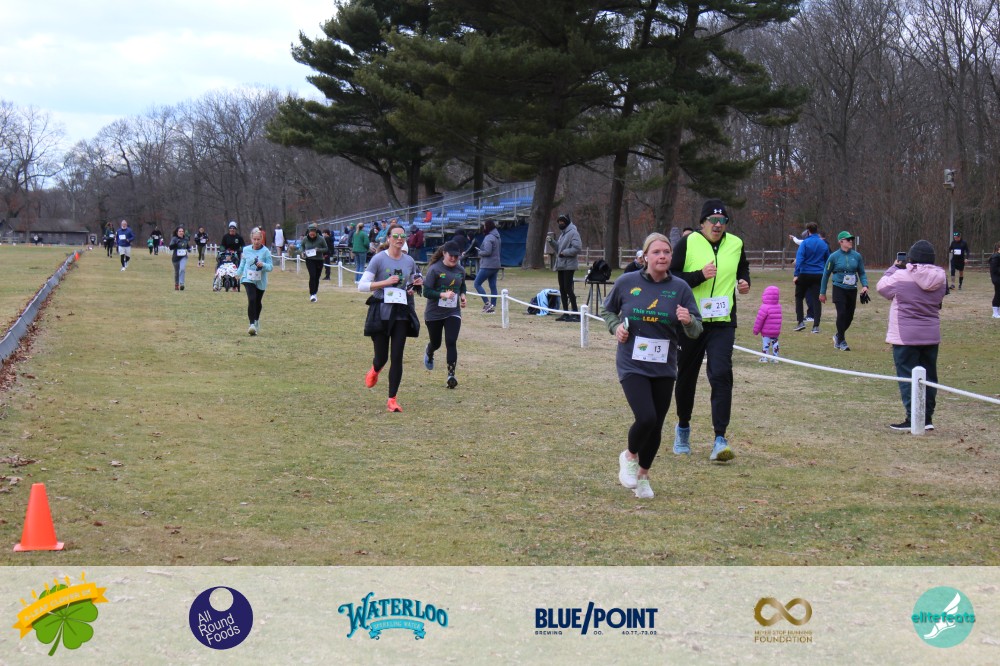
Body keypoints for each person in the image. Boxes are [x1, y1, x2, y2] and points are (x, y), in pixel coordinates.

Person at [602, 233, 703, 499]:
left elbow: (696, 329)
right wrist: (616, 328)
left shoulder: (680, 288)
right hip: (632, 362)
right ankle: (629, 456)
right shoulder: (627, 282)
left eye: (666, 252)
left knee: (656, 424)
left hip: (664, 364)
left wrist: (688, 321)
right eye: (656, 252)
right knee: (646, 417)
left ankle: (643, 476)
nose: (662, 256)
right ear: (645, 256)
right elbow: (607, 310)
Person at [670, 199, 750, 462]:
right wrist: (699, 276)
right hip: (691, 321)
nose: (718, 225)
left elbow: (743, 267)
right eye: (713, 220)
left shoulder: (736, 243)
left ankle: (720, 438)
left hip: (722, 322)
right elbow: (672, 276)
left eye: (722, 220)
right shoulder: (688, 242)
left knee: (721, 374)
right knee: (687, 376)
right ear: (702, 223)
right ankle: (683, 428)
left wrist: (744, 281)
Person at [876, 240, 946, 431]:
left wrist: (893, 268)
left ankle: (913, 418)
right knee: (928, 377)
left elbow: (882, 287)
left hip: (905, 335)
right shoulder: (941, 277)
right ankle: (927, 418)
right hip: (930, 333)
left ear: (911, 258)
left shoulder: (900, 276)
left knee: (908, 377)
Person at [359, 221, 423, 412]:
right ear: (388, 238)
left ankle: (392, 399)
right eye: (395, 236)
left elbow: (412, 282)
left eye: (402, 236)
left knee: (397, 356)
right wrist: (385, 282)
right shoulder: (379, 259)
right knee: (382, 357)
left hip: (401, 312)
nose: (399, 239)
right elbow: (362, 286)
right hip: (380, 310)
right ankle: (375, 369)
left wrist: (414, 286)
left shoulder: (409, 261)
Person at [421, 241, 467, 389]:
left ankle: (451, 376)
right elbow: (426, 292)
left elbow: (462, 285)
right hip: (434, 313)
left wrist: (463, 296)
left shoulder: (460, 270)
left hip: (453, 312)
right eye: (451, 255)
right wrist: (442, 294)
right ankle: (429, 351)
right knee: (436, 343)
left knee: (451, 341)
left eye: (456, 256)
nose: (453, 258)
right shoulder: (434, 269)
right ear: (444, 254)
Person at [820, 231, 869, 351]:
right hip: (839, 288)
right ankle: (842, 341)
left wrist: (865, 285)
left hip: (852, 289)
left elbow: (862, 272)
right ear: (841, 241)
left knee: (849, 316)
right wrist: (822, 292)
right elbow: (826, 274)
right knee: (841, 313)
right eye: (848, 239)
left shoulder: (857, 256)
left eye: (851, 239)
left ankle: (838, 335)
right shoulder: (833, 257)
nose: (850, 241)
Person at [235, 229, 273, 336]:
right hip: (248, 278)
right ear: (251, 239)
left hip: (260, 280)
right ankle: (251, 325)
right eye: (254, 239)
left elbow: (270, 267)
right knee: (251, 299)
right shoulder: (246, 250)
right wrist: (238, 273)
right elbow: (243, 263)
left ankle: (256, 320)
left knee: (257, 301)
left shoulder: (265, 251)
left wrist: (263, 265)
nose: (256, 241)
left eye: (258, 239)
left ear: (262, 239)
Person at [793, 222, 828, 333]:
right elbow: (827, 259)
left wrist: (796, 274)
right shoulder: (823, 244)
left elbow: (799, 259)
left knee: (799, 297)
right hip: (818, 274)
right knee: (817, 299)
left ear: (808, 231)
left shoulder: (805, 243)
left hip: (805, 273)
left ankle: (800, 322)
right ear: (817, 230)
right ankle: (816, 326)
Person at [547, 214, 582, 321]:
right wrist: (552, 242)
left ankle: (575, 313)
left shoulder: (573, 232)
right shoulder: (563, 234)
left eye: (562, 222)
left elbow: (577, 248)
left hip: (569, 265)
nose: (560, 224)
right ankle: (565, 313)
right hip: (561, 265)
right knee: (562, 289)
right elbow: (559, 249)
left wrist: (565, 253)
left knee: (568, 289)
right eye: (559, 222)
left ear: (567, 222)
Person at [474, 219, 501, 313]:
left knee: (477, 284)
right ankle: (492, 305)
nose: (483, 228)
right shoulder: (497, 237)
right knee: (493, 285)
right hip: (496, 265)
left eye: (484, 226)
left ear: (488, 227)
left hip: (487, 265)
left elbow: (487, 252)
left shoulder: (489, 237)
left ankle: (487, 303)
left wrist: (480, 252)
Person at [752, 285, 783, 362]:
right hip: (776, 331)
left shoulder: (764, 307)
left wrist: (756, 330)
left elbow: (759, 320)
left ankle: (764, 357)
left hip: (766, 331)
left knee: (766, 344)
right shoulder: (778, 306)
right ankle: (775, 358)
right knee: (775, 343)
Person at [301, 223, 328, 301]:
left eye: (313, 234)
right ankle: (312, 294)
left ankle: (315, 292)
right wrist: (302, 252)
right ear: (309, 232)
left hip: (319, 260)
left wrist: (318, 250)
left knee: (317, 277)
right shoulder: (305, 239)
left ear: (316, 232)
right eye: (311, 234)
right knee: (312, 275)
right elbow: (302, 246)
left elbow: (326, 248)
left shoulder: (321, 239)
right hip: (309, 260)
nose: (312, 235)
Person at [168, 226, 191, 290]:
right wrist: (176, 243)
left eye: (182, 231)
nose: (181, 232)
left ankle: (182, 284)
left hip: (183, 257)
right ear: (177, 232)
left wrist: (189, 249)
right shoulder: (174, 239)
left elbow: (187, 246)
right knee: (177, 272)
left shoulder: (185, 239)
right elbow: (170, 247)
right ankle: (176, 284)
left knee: (182, 269)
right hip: (175, 258)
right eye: (180, 231)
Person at [991, 241, 1000, 318]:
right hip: (997, 279)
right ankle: (995, 313)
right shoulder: (996, 257)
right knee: (998, 294)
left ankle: (998, 312)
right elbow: (995, 269)